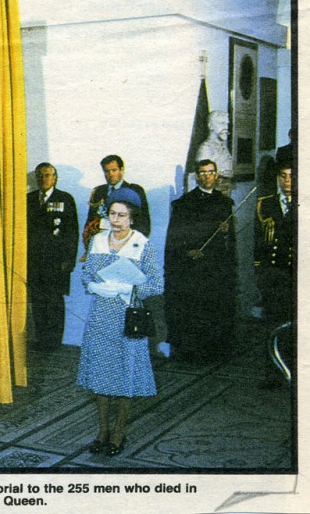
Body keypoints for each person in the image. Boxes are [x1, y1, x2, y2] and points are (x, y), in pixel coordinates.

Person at [77, 188, 163, 457]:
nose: (116, 220)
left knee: (125, 374)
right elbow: (87, 274)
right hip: (101, 315)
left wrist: (132, 290)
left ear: (132, 218)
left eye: (122, 215)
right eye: (113, 214)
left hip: (128, 316)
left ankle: (118, 432)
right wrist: (94, 286)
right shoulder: (98, 241)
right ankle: (102, 430)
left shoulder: (142, 244)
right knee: (101, 374)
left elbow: (157, 283)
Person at [164, 159, 236, 362]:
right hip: (194, 267)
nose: (207, 176)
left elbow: (229, 242)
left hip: (216, 267)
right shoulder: (185, 203)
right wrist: (189, 251)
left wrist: (226, 231)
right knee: (195, 311)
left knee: (215, 309)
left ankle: (215, 351)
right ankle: (193, 353)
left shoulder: (224, 202)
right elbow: (175, 236)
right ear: (197, 177)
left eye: (211, 172)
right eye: (202, 173)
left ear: (216, 175)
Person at [27, 163, 79, 351]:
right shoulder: (30, 199)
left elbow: (73, 232)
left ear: (55, 178)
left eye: (48, 175)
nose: (44, 179)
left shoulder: (64, 199)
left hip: (57, 262)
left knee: (55, 301)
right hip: (34, 261)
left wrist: (70, 260)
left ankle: (54, 342)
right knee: (38, 301)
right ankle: (42, 340)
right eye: (40, 175)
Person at [254, 148, 294, 387]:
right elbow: (259, 245)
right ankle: (273, 374)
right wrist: (260, 275)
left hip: (297, 276)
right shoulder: (264, 205)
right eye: (283, 176)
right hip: (274, 276)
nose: (287, 181)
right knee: (272, 326)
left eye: (292, 176)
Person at [83, 154, 151, 250]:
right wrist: (89, 243)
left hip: (125, 245)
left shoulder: (134, 190)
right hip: (101, 245)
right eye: (107, 171)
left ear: (121, 170)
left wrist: (133, 246)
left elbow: (144, 223)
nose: (110, 174)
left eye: (114, 170)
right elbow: (90, 221)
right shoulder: (98, 191)